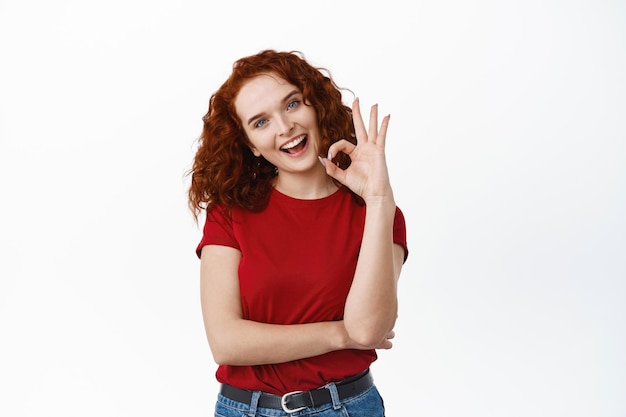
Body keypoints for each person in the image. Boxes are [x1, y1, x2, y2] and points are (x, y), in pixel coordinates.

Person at [187, 49, 408, 417]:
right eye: (260, 123)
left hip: (348, 408)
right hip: (245, 410)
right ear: (250, 146)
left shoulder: (376, 214)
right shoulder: (229, 216)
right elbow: (226, 342)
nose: (284, 127)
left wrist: (379, 199)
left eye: (291, 104)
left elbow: (368, 329)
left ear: (315, 106)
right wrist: (340, 334)